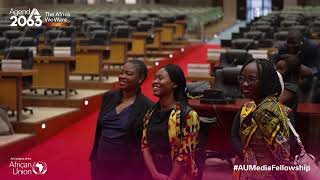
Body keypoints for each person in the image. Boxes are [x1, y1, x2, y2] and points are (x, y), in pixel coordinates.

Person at [231, 59, 297, 180]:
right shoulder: (246, 108)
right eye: (241, 78)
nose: (244, 84)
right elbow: (234, 136)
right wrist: (247, 158)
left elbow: (285, 150)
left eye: (251, 79)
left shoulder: (272, 111)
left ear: (265, 82)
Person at [90, 60, 153, 180]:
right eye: (121, 73)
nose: (122, 76)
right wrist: (94, 159)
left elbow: (145, 144)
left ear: (140, 79)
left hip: (127, 168)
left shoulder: (147, 107)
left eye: (128, 74)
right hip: (100, 164)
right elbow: (100, 130)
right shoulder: (109, 96)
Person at [141, 64, 200, 180]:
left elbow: (185, 155)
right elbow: (145, 146)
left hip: (178, 175)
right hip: (153, 173)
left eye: (160, 78)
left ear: (174, 84)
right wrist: (154, 174)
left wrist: (171, 178)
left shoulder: (188, 115)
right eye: (155, 78)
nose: (155, 82)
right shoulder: (150, 112)